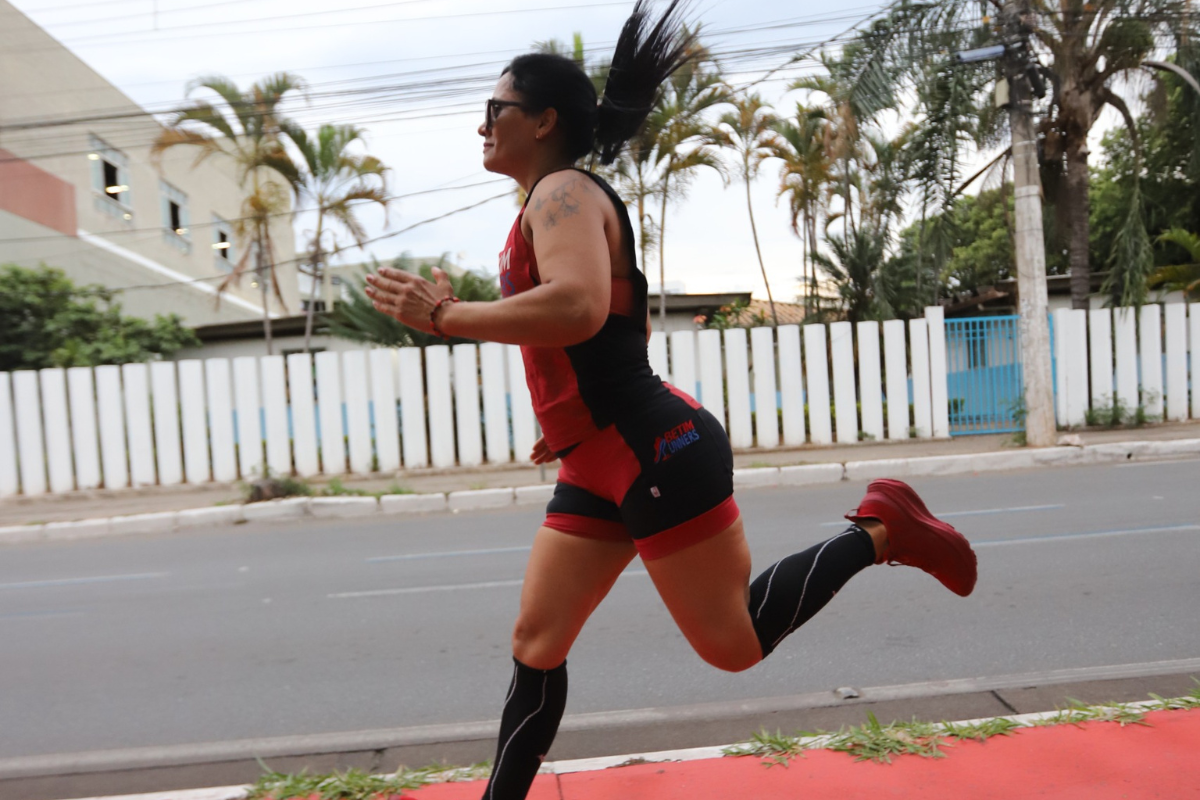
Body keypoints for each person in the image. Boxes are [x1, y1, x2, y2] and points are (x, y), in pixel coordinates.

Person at [364, 2, 977, 798]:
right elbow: (598, 332)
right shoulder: (542, 207)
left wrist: (444, 316)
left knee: (734, 643)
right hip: (600, 460)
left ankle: (880, 528)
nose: (482, 125)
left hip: (657, 449)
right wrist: (568, 419)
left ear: (544, 120)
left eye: (495, 109)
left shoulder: (562, 194)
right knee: (537, 640)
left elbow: (580, 306)